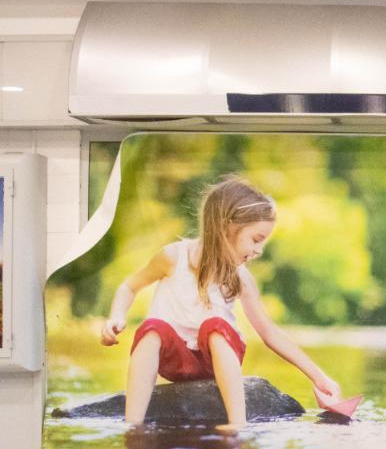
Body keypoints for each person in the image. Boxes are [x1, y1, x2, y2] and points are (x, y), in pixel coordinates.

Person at [100, 176, 341, 427]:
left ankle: (237, 424)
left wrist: (318, 377)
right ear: (227, 227)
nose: (259, 250)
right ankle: (133, 425)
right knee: (152, 328)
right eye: (256, 239)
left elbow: (269, 332)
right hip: (175, 360)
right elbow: (129, 286)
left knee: (214, 326)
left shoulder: (240, 277)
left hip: (214, 361)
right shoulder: (173, 257)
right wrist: (116, 316)